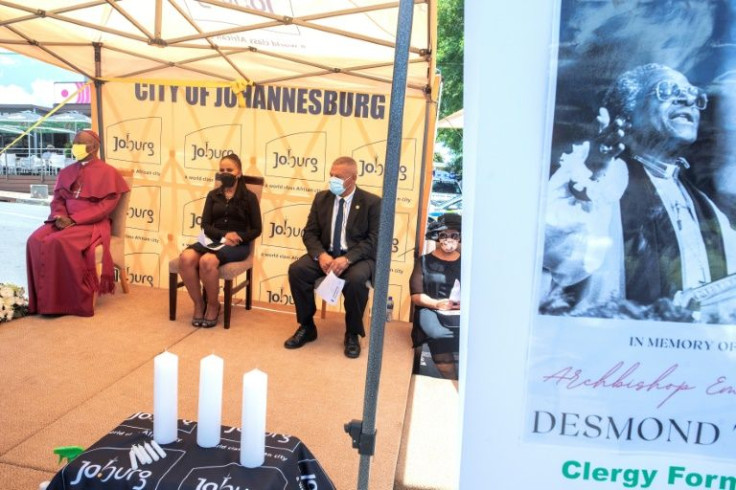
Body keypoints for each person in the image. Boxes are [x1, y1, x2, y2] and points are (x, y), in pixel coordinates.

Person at [543, 63, 736, 316]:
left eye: (694, 94)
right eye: (668, 90)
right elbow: (564, 259)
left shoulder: (705, 206)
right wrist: (594, 168)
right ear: (627, 114)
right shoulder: (603, 174)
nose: (688, 99)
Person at [284, 156, 381, 358]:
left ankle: (353, 333)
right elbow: (309, 233)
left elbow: (373, 240)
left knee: (355, 281)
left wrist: (348, 259)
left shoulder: (372, 203)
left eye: (338, 177)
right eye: (331, 175)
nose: (332, 180)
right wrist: (320, 255)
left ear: (353, 178)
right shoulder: (322, 199)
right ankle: (307, 326)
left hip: (357, 259)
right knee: (297, 270)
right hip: (326, 255)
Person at [26, 129, 130, 316]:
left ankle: (61, 304)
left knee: (55, 242)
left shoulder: (109, 173)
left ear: (95, 147)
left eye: (80, 143)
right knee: (34, 240)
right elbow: (58, 199)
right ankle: (41, 301)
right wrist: (59, 216)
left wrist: (74, 219)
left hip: (91, 223)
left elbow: (105, 207)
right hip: (62, 219)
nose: (76, 147)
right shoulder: (66, 172)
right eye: (75, 143)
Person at [178, 154, 262, 328]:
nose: (225, 173)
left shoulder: (249, 198)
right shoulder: (213, 195)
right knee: (186, 258)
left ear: (238, 172)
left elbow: (256, 229)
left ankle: (214, 305)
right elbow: (205, 225)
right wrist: (224, 236)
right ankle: (199, 304)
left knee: (207, 261)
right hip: (212, 239)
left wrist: (238, 237)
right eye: (222, 170)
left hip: (237, 245)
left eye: (229, 170)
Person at [410, 214, 461, 380]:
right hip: (431, 308)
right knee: (439, 334)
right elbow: (416, 295)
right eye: (444, 235)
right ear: (437, 237)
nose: (449, 239)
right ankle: (452, 380)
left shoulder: (468, 263)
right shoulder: (424, 261)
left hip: (460, 311)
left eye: (454, 235)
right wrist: (436, 304)